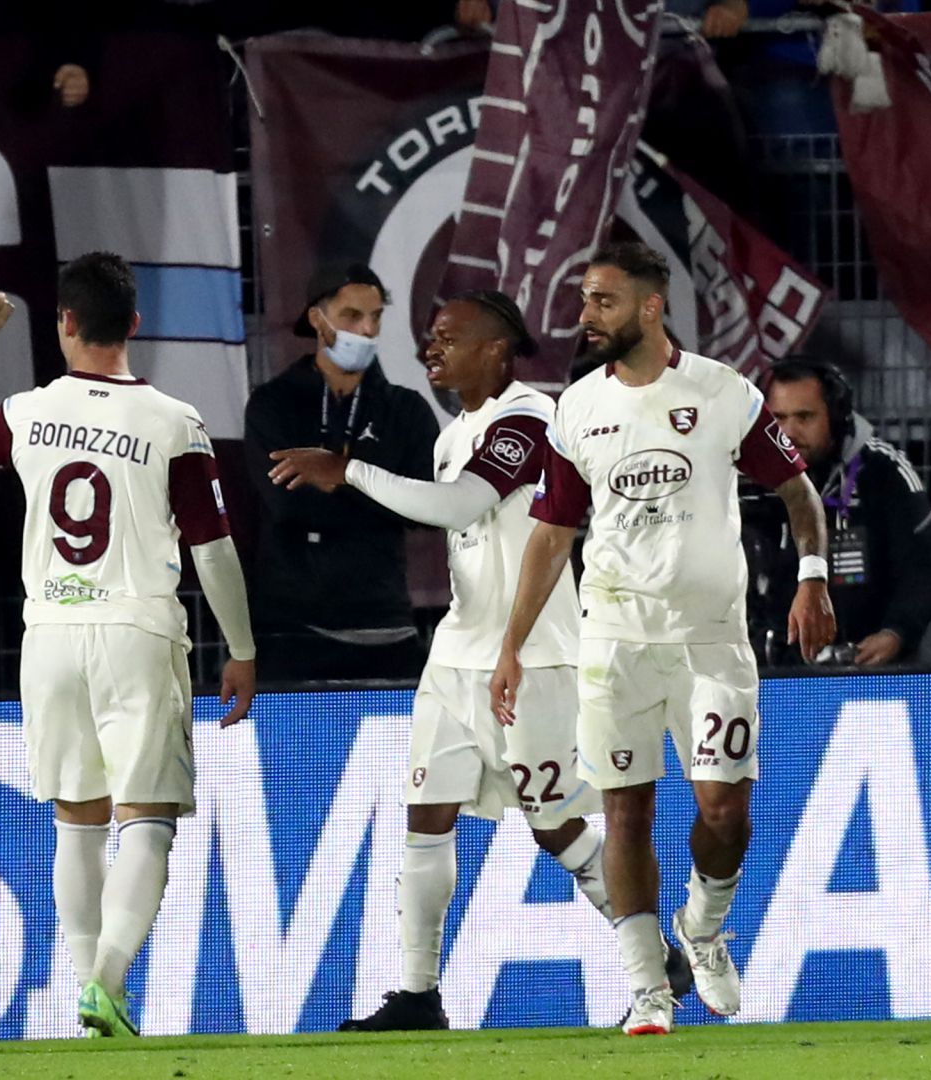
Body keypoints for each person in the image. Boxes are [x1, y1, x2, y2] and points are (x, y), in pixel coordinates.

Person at [268, 291, 688, 1030]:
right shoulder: (454, 430)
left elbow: (462, 506)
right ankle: (418, 994)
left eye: (448, 339)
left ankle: (656, 952)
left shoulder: (529, 419)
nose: (431, 350)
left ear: (496, 350)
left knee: (554, 824)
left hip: (536, 657)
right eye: (430, 339)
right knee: (425, 815)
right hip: (457, 655)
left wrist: (351, 470)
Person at [489, 242, 835, 1035]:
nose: (585, 316)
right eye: (583, 300)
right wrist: (511, 646)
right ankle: (648, 986)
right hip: (615, 638)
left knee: (723, 809)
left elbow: (796, 488)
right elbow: (550, 536)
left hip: (712, 638)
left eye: (602, 301)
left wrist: (812, 574)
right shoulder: (576, 409)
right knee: (627, 814)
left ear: (651, 307)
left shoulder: (722, 394)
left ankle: (704, 928)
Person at [0, 254, 257, 1037]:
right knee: (146, 817)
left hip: (47, 634)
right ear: (136, 326)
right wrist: (243, 648)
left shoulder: (26, 411)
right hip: (136, 629)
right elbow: (213, 550)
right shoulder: (172, 421)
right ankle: (108, 982)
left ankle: (86, 989)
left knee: (76, 821)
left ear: (66, 323)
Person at [244, 262, 438, 681]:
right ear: (318, 318)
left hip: (383, 625)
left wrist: (338, 476)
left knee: (396, 751)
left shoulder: (407, 411)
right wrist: (382, 493)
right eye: (352, 316)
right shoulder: (272, 404)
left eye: (376, 317)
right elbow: (287, 505)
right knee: (294, 750)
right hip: (290, 629)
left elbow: (423, 509)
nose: (367, 330)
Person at [752, 358, 931, 667]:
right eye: (779, 418)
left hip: (873, 670)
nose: (789, 432)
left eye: (804, 417)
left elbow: (920, 569)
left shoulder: (886, 470)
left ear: (837, 418)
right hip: (775, 673)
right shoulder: (745, 477)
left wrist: (896, 633)